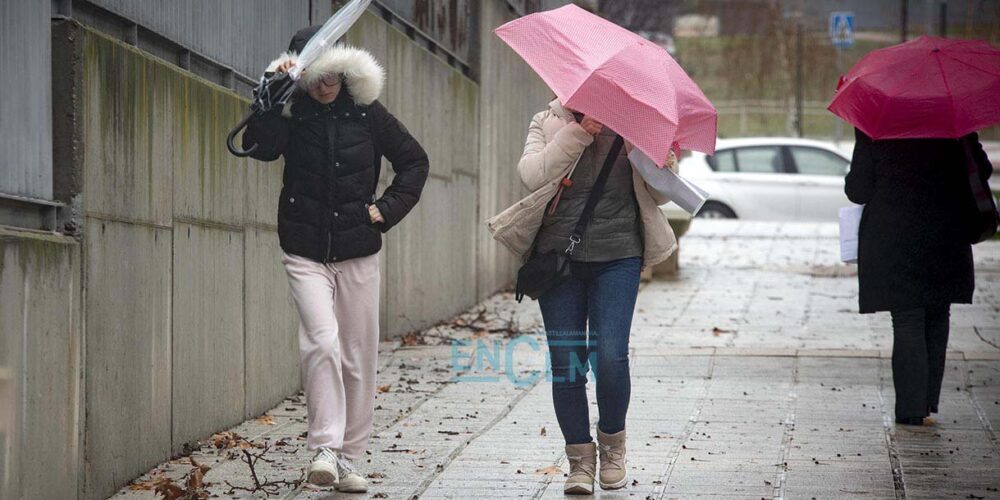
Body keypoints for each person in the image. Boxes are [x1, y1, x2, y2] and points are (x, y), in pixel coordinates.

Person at [242, 26, 429, 491]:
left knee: (358, 356)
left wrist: (385, 210)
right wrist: (269, 99)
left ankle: (349, 458)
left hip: (357, 249)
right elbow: (258, 147)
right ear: (302, 76)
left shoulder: (367, 113)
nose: (324, 86)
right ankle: (325, 448)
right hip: (303, 249)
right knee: (322, 341)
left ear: (344, 72)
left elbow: (415, 162)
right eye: (315, 77)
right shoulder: (293, 113)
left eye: (332, 76)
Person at [509, 98, 676, 494]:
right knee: (567, 361)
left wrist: (646, 152)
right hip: (559, 259)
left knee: (611, 355)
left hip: (618, 255)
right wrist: (578, 133)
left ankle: (612, 446)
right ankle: (580, 459)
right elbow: (531, 175)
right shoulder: (548, 120)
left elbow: (663, 193)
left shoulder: (640, 123)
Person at [845, 128, 992, 426]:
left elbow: (858, 190)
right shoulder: (953, 121)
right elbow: (982, 170)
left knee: (907, 319)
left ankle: (911, 408)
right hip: (946, 232)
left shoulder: (877, 125)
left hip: (894, 235)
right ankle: (925, 403)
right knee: (938, 314)